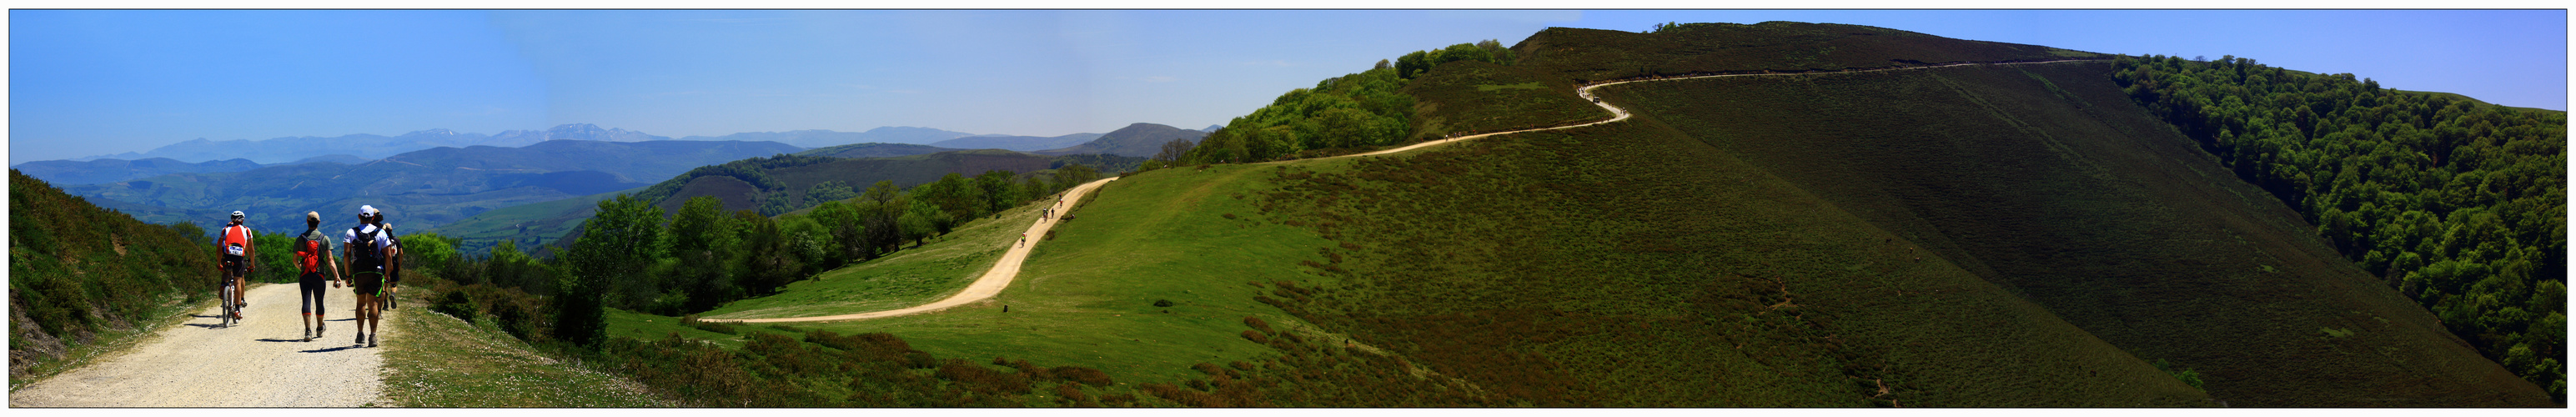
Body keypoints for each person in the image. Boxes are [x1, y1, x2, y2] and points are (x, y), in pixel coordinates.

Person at [344, 205, 395, 347]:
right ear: (373, 218)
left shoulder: (351, 232)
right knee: (373, 303)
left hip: (359, 271)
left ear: (359, 217)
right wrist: (387, 273)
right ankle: (373, 336)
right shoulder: (381, 233)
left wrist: (348, 275)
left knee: (360, 303)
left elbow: (347, 255)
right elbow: (388, 255)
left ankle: (360, 334)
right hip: (376, 271)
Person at [292, 211, 345, 342]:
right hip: (319, 274)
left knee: (306, 301)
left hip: (305, 275)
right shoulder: (324, 238)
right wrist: (337, 276)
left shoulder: (300, 238)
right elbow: (330, 259)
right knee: (319, 301)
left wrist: (302, 268)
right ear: (319, 223)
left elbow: (294, 259)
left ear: (307, 222)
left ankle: (308, 331)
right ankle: (320, 328)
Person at [216, 211, 256, 321]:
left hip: (227, 255)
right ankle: (237, 309)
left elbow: (219, 248)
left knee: (226, 271)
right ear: (242, 220)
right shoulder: (246, 230)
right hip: (239, 257)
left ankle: (223, 285)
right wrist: (252, 265)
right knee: (238, 281)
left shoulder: (225, 229)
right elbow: (251, 250)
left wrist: (218, 262)